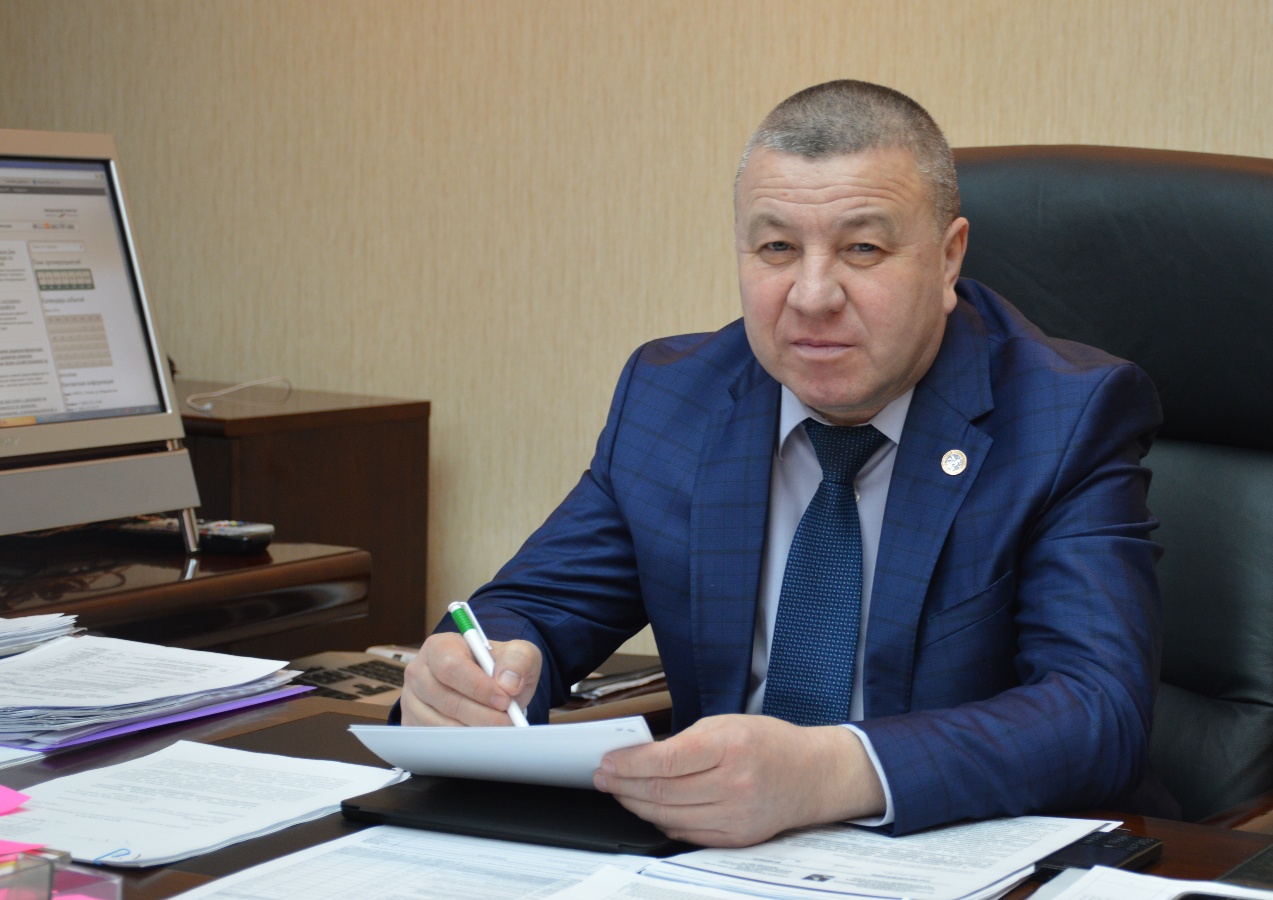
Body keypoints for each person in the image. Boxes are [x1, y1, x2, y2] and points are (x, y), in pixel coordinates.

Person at [399, 79, 1169, 847]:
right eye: (777, 248)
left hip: (952, 861)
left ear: (947, 259)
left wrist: (829, 772)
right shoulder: (675, 399)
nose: (812, 295)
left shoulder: (1065, 416)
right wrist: (474, 675)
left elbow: (1096, 712)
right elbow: (533, 608)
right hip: (709, 866)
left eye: (862, 248)